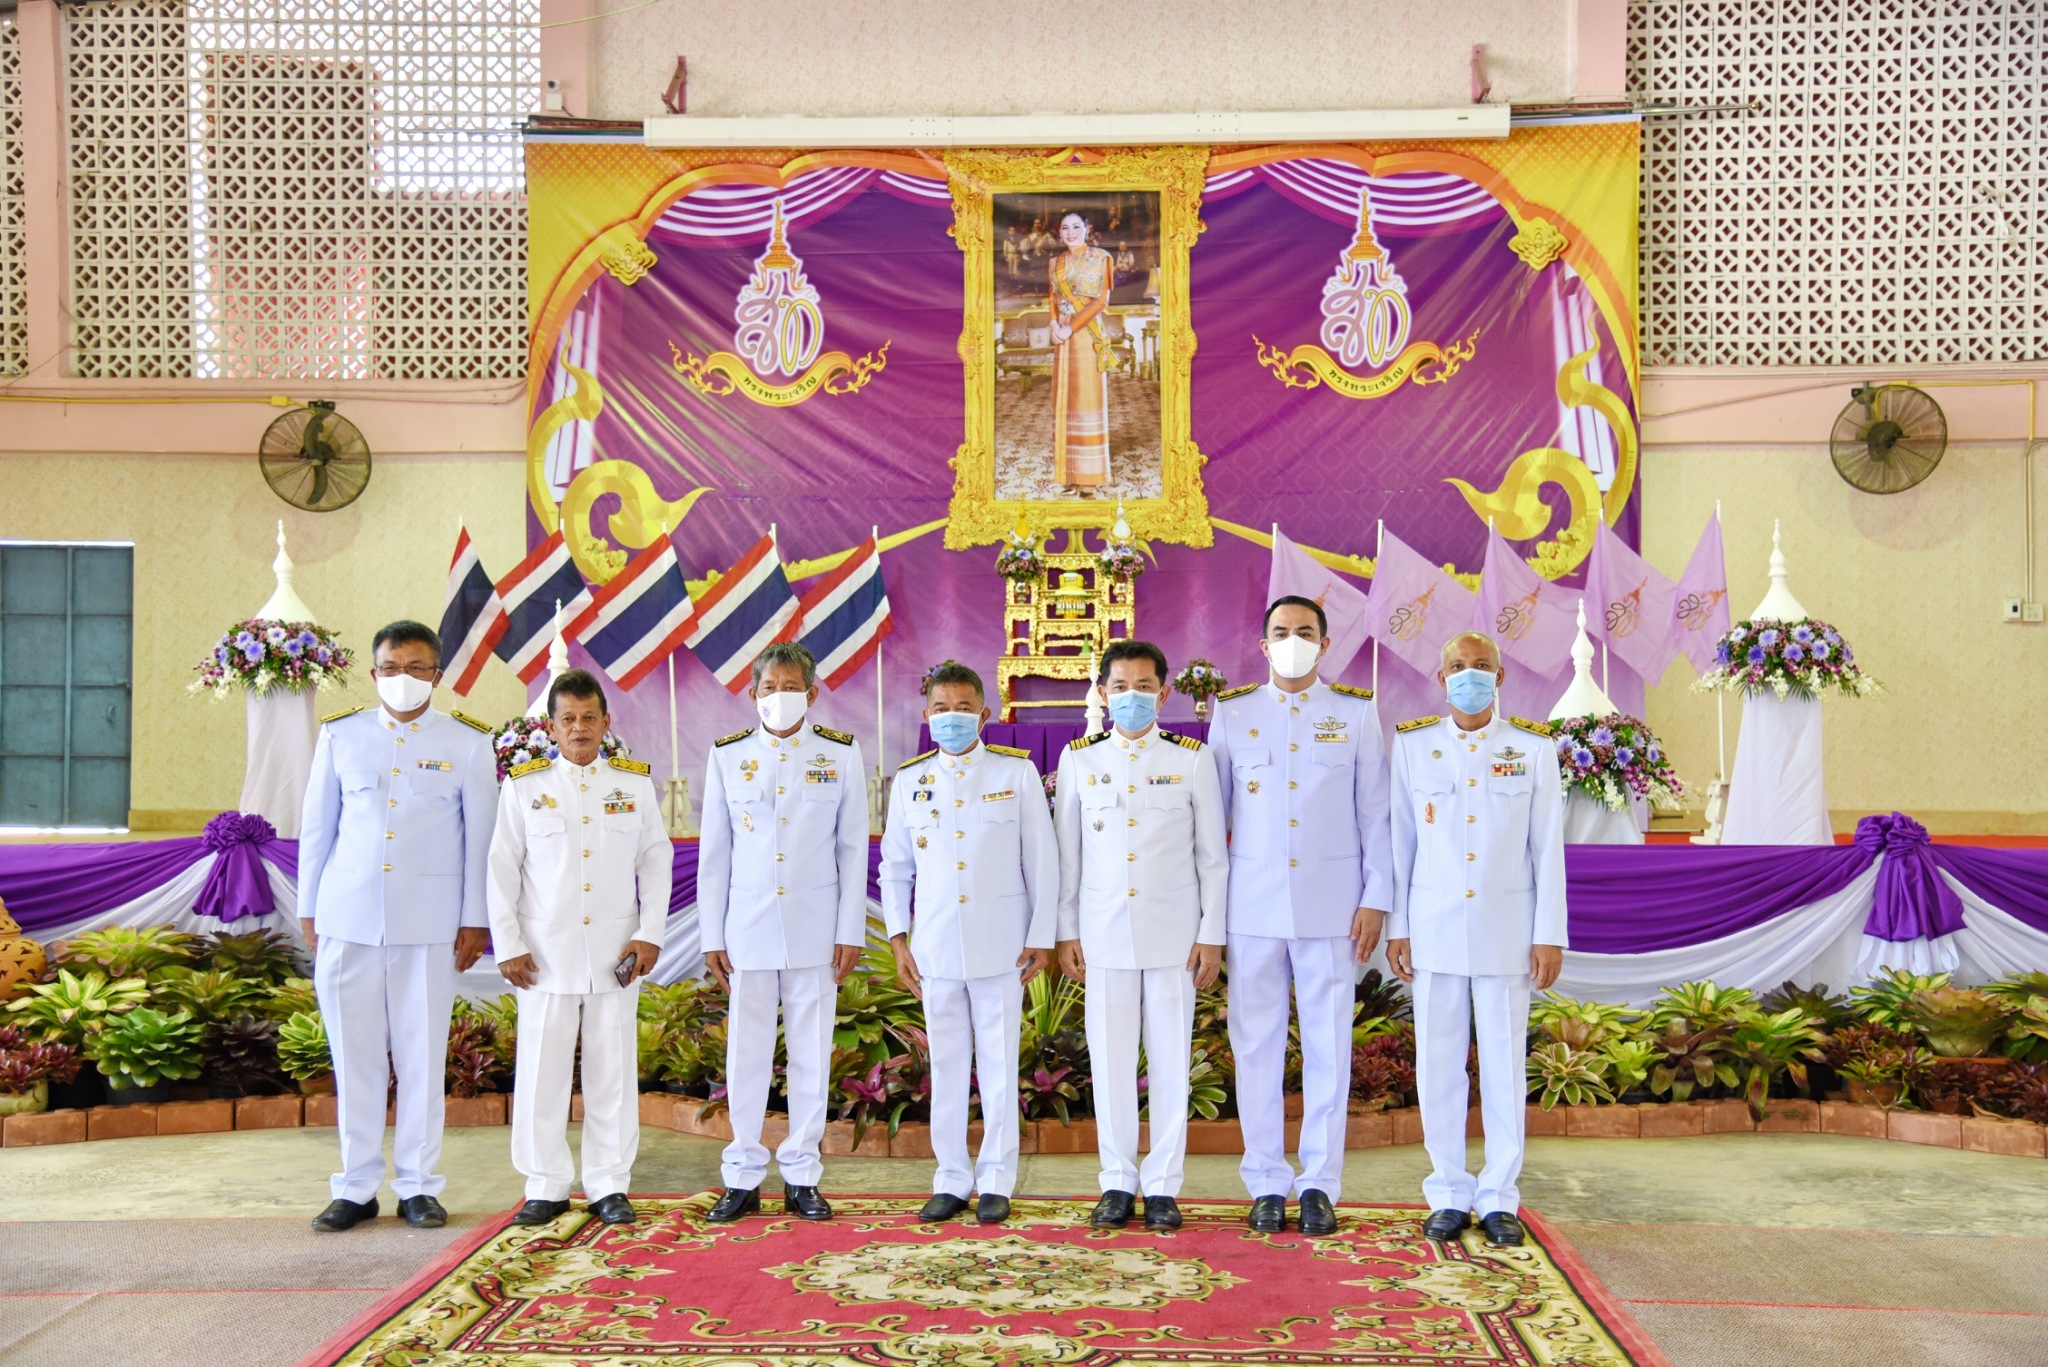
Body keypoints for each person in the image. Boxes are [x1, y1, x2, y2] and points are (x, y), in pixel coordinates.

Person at [298, 621, 497, 1232]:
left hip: (429, 927)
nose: (403, 679)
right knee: (352, 1059)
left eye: (417, 668)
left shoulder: (467, 742)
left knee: (420, 1057)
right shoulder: (341, 735)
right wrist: (310, 908)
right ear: (374, 672)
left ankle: (417, 1185)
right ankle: (356, 1187)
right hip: (347, 920)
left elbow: (479, 838)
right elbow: (317, 829)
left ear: (437, 675)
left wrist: (475, 920)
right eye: (392, 667)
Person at [1206, 595, 1392, 1236]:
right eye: (1281, 632)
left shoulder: (1356, 715)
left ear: (1325, 641)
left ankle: (1318, 1182)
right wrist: (1210, 920)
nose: (1293, 641)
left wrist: (1376, 899)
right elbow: (1213, 826)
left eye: (1305, 632)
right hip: (1251, 909)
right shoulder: (1232, 716)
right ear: (1263, 645)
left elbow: (1377, 816)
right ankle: (1264, 1180)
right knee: (1254, 1046)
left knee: (1327, 1046)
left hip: (1334, 909)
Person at [1386, 630, 1566, 1248]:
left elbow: (1547, 850)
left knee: (1502, 1066)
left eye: (1481, 666)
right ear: (1441, 679)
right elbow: (1399, 844)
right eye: (1457, 666)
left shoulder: (1534, 750)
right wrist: (1398, 927)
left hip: (1507, 932)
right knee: (1438, 1066)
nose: (1469, 675)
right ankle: (1448, 1189)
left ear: (1501, 676)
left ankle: (1498, 1196)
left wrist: (1550, 935)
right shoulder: (1413, 747)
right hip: (1433, 930)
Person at [487, 669, 671, 1228]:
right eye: (568, 718)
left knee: (612, 1070)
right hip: (543, 954)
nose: (579, 728)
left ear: (606, 723)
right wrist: (509, 944)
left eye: (590, 717)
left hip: (617, 952)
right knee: (542, 1070)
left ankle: (609, 1183)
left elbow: (656, 861)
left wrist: (650, 934)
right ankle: (544, 1183)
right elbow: (501, 869)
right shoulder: (524, 786)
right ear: (551, 726)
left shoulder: (634, 785)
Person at [1054, 640, 1226, 1231]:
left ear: (1164, 691)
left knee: (1172, 1062)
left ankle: (1162, 1186)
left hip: (1174, 935)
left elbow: (1212, 860)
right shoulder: (1079, 760)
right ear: (1102, 693)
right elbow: (1067, 858)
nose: (1132, 697)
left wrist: (1212, 934)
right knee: (1110, 1063)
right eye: (1120, 687)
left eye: (1144, 686)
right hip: (1102, 935)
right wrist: (1065, 930)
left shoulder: (1191, 760)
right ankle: (1117, 1181)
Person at [880, 662, 1056, 1224]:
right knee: (949, 1064)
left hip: (1003, 945)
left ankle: (998, 1177)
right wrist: (898, 936)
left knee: (1002, 1064)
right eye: (940, 707)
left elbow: (1043, 862)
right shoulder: (910, 780)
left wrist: (1041, 936)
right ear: (926, 714)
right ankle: (952, 1176)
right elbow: (895, 867)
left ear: (984, 713)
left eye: (962, 707)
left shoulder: (1016, 774)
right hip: (934, 947)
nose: (951, 716)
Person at [698, 642, 867, 1222]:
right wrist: (711, 936)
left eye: (790, 687)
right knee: (745, 1054)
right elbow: (715, 856)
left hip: (816, 929)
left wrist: (851, 931)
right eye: (769, 688)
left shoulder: (841, 755)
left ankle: (802, 1174)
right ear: (753, 695)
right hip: (745, 928)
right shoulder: (727, 756)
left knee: (811, 1054)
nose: (779, 697)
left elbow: (851, 850)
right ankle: (742, 1175)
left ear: (812, 694)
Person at [1048, 210, 1115, 490]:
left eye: (1076, 226)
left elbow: (1101, 302)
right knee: (1066, 398)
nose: (1071, 232)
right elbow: (1052, 296)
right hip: (1062, 334)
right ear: (1060, 232)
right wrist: (1053, 323)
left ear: (1087, 229)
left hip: (1085, 334)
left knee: (1087, 397)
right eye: (1065, 227)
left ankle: (1091, 475)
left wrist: (1069, 328)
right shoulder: (1055, 262)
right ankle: (1067, 472)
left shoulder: (1102, 258)